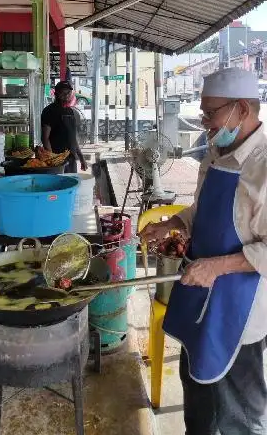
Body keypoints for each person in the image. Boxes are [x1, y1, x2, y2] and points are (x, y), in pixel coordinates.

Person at [140, 67, 267, 435]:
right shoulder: (215, 152)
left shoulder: (262, 168)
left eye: (210, 113)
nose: (205, 123)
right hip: (199, 296)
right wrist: (175, 224)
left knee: (236, 415)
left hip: (238, 313)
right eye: (204, 113)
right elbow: (202, 210)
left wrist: (218, 267)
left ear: (242, 109)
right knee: (199, 399)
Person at [41, 80, 87, 173]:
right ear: (56, 93)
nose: (66, 95)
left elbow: (73, 138)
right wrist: (53, 160)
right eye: (63, 92)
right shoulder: (49, 111)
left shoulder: (71, 111)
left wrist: (81, 158)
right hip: (57, 160)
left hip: (71, 159)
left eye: (69, 92)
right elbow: (45, 138)